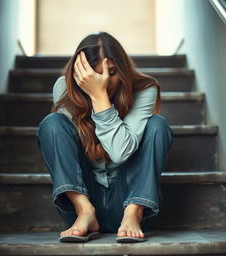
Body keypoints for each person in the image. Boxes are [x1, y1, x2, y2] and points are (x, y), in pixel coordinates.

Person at [36, 31, 173, 243]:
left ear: (124, 70)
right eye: (95, 75)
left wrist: (99, 97)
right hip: (83, 201)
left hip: (131, 200)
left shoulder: (145, 89)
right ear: (81, 75)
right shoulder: (64, 88)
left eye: (112, 72)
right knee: (51, 124)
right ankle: (85, 212)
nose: (105, 82)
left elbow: (119, 153)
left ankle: (133, 213)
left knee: (157, 125)